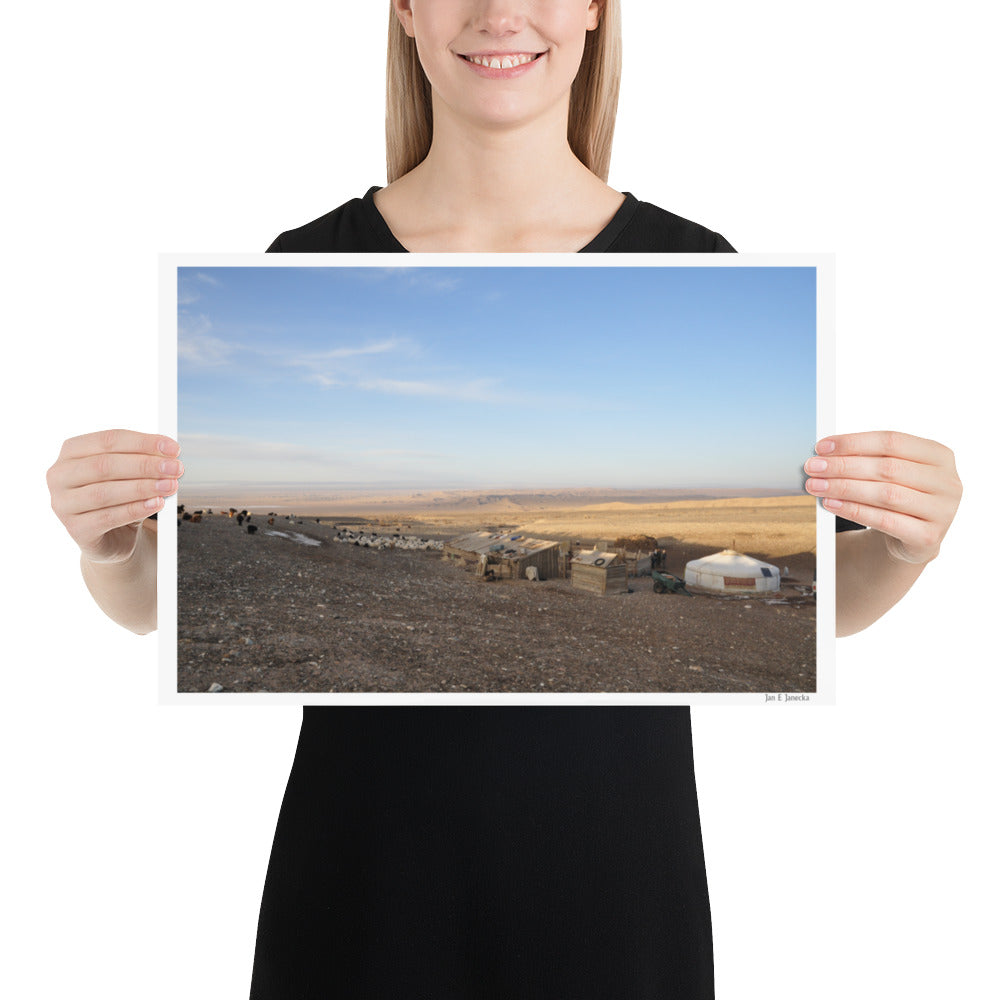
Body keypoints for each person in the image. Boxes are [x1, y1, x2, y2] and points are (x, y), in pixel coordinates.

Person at [45, 3, 962, 997]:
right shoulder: (304, 257)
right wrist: (111, 547)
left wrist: (907, 546)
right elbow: (154, 608)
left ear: (595, 10)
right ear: (403, 10)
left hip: (615, 886)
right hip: (363, 880)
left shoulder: (697, 259)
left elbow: (819, 605)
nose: (498, 11)